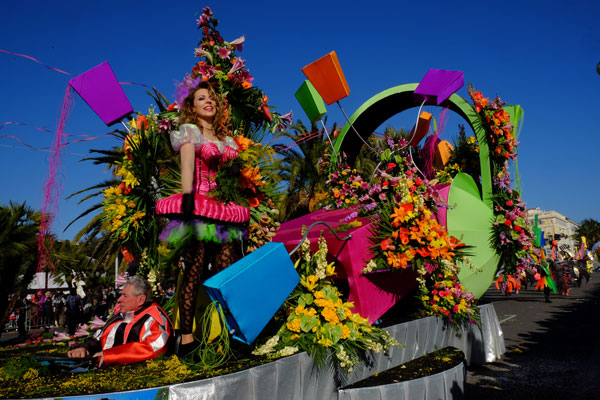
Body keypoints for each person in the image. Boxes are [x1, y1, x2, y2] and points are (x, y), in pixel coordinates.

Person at [155, 81, 249, 356]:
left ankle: (233, 335)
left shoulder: (227, 140)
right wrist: (187, 199)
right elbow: (187, 167)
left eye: (211, 98)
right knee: (194, 271)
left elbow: (231, 177)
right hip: (197, 206)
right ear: (192, 107)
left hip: (223, 209)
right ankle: (186, 339)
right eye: (201, 98)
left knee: (226, 271)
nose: (208, 101)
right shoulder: (190, 132)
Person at [68, 276, 173, 366]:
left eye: (125, 296)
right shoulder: (121, 315)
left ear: (140, 299)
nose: (119, 299)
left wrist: (111, 355)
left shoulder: (153, 317)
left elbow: (153, 348)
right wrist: (84, 348)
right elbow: (98, 339)